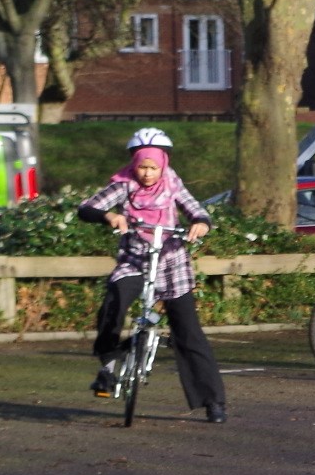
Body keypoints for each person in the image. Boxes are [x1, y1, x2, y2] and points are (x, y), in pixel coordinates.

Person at [78, 129, 227, 422]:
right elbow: (86, 209)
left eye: (153, 168)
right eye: (142, 167)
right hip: (134, 260)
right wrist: (109, 216)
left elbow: (196, 210)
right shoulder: (124, 184)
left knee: (188, 331)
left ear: (163, 165)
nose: (147, 174)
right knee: (114, 303)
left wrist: (201, 223)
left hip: (171, 263)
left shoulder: (173, 184)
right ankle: (108, 367)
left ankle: (213, 401)